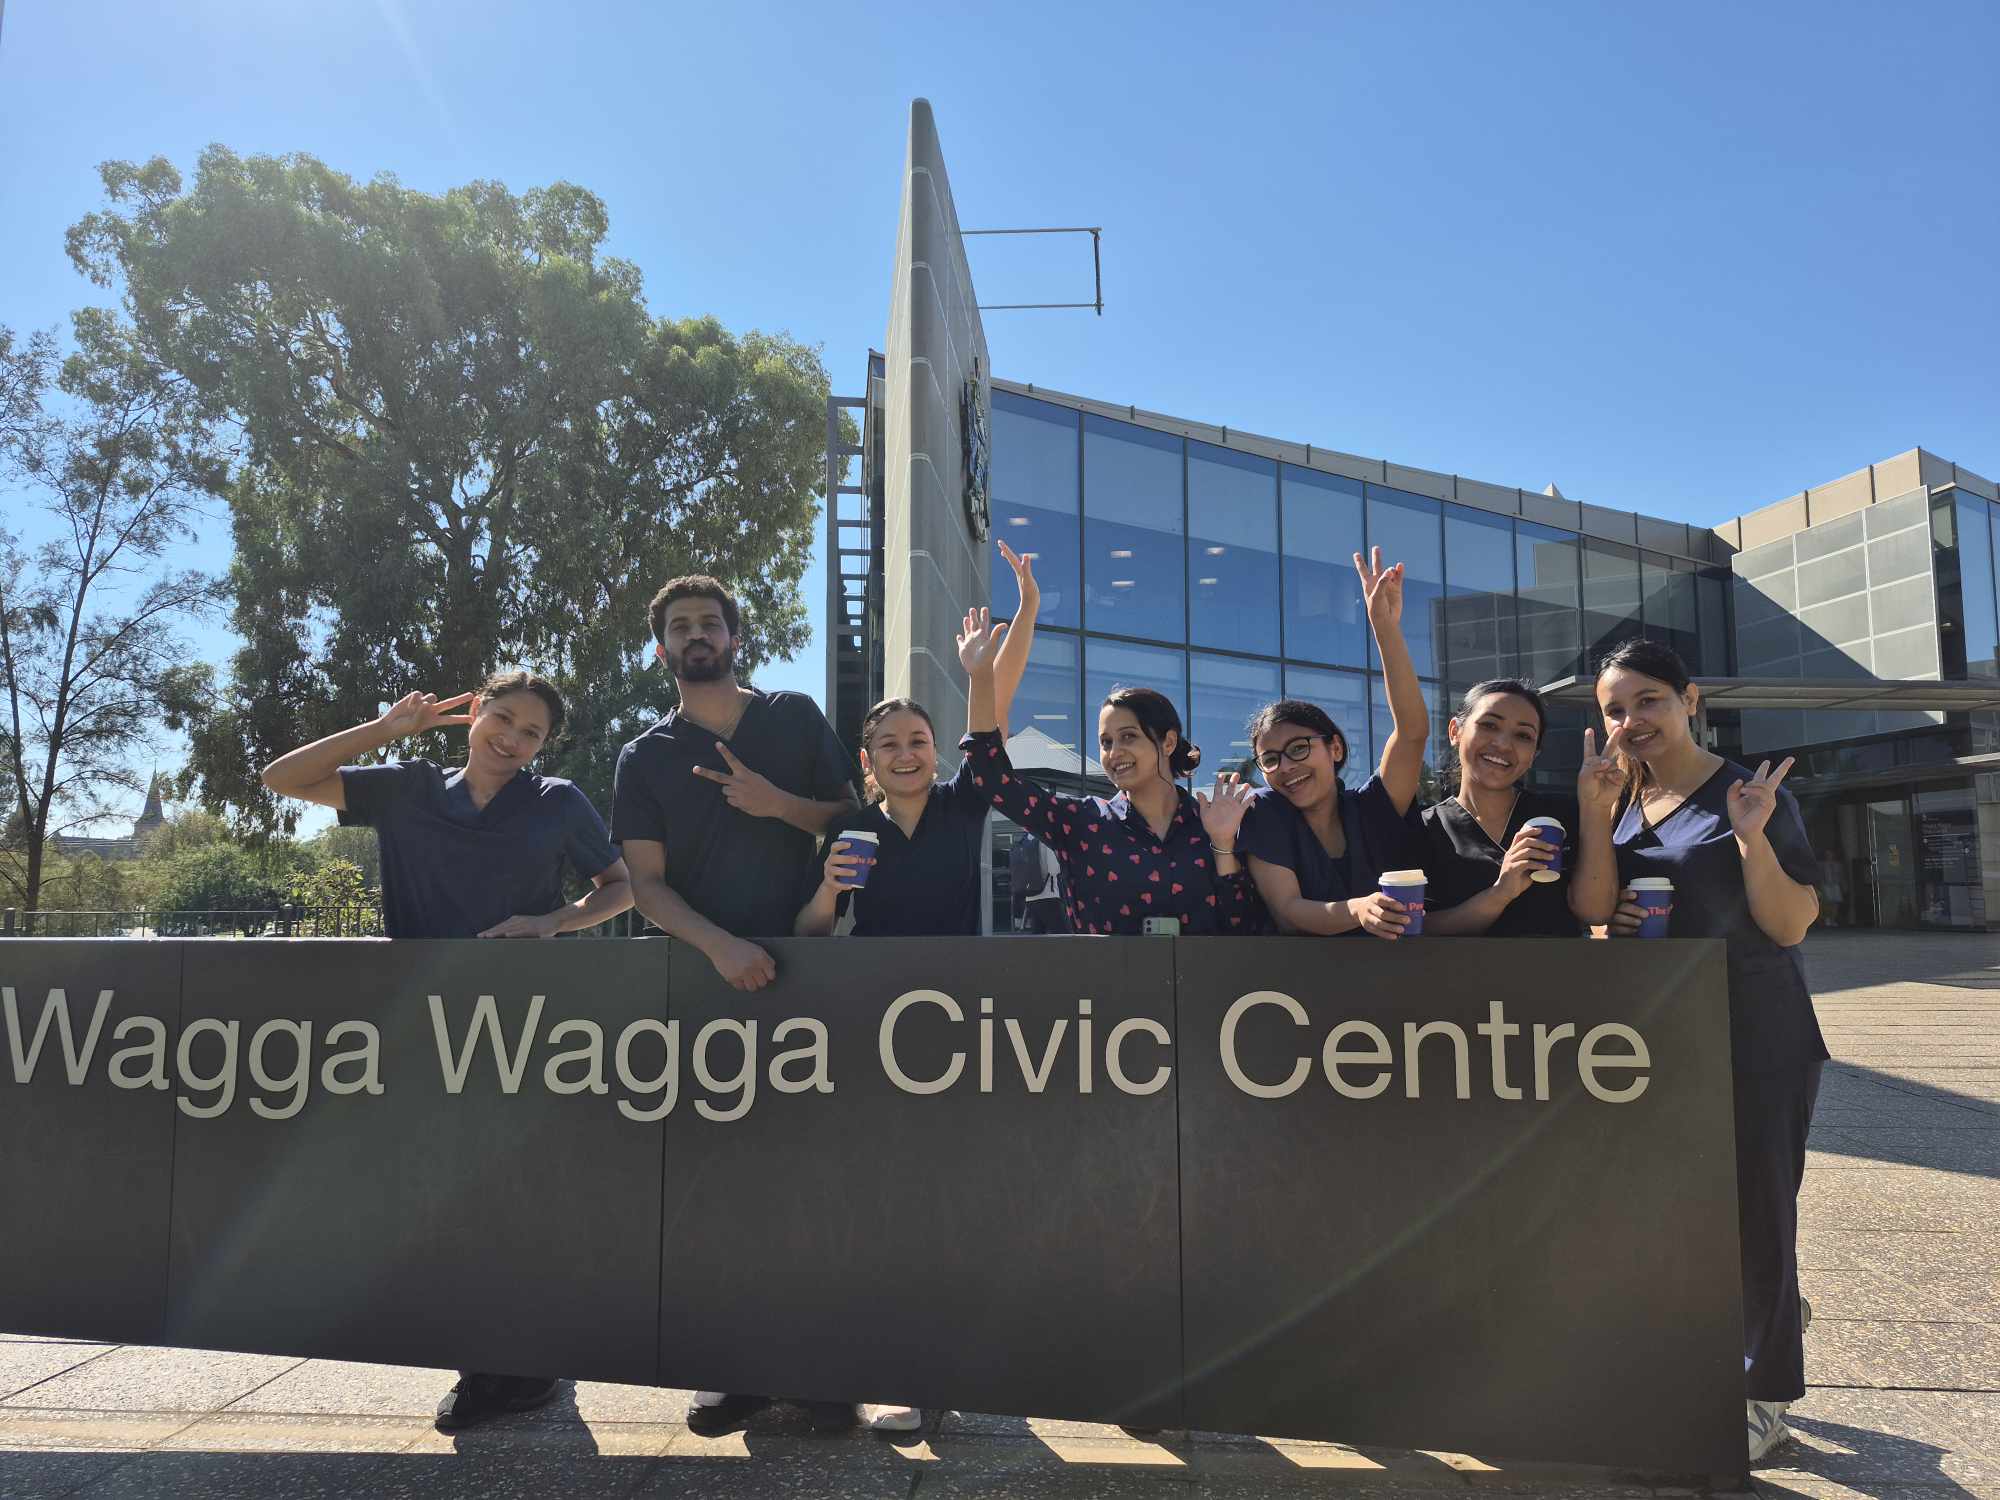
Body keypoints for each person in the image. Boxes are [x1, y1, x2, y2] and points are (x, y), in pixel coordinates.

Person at [258, 669, 633, 1433]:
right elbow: (281, 778)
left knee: (513, 1193)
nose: (513, 739)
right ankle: (486, 1362)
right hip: (420, 1024)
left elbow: (620, 886)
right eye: (504, 718)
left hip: (520, 1027)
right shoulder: (408, 787)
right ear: (473, 714)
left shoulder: (559, 801)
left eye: (532, 733)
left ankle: (521, 1365)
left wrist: (551, 923)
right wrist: (386, 729)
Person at [609, 573, 861, 1435]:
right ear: (662, 649)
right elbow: (645, 885)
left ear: (734, 637)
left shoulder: (793, 717)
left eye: (709, 623)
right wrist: (718, 946)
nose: (695, 635)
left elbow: (850, 820)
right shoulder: (643, 755)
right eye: (679, 626)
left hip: (809, 972)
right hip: (701, 981)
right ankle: (735, 1371)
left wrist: (774, 803)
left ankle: (823, 1374)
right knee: (714, 1187)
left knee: (808, 1180)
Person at [1568, 637, 1825, 1464]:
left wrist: (1751, 838)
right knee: (1683, 1213)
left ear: (1690, 700)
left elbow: (1790, 924)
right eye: (1615, 709)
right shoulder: (1619, 799)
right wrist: (1592, 817)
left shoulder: (1748, 793)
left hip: (1756, 1025)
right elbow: (1595, 909)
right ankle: (1767, 1320)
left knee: (1756, 1210)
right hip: (1663, 1034)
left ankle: (1763, 1396)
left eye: (1648, 699)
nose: (1631, 720)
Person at [794, 542, 1040, 947]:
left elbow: (994, 713)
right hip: (874, 981)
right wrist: (829, 888)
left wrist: (1025, 611)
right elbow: (809, 935)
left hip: (956, 982)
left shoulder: (962, 801)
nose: (906, 754)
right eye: (889, 744)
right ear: (867, 761)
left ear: (934, 749)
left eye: (917, 741)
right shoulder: (853, 829)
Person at [956, 617, 1257, 936]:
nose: (1114, 752)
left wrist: (1223, 844)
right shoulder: (1081, 822)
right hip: (1103, 972)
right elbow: (993, 780)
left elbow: (1243, 928)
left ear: (1168, 742)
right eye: (1105, 742)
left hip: (1203, 971)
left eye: (1128, 737)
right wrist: (980, 678)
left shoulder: (1212, 823)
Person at [1238, 548, 1426, 938]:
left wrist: (1385, 628)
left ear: (1335, 748)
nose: (1286, 767)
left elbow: (1412, 733)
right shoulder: (1265, 813)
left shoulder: (1374, 806)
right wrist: (1359, 908)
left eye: (1298, 748)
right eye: (1270, 759)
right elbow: (1289, 912)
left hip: (1397, 972)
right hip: (1297, 977)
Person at [1418, 679, 1582, 937]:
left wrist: (1597, 807)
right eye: (1489, 725)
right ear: (1455, 731)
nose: (1504, 745)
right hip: (1461, 966)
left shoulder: (1563, 818)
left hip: (1559, 965)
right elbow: (1416, 928)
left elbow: (1596, 912)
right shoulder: (1423, 829)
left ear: (1535, 754)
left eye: (1523, 736)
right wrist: (1500, 894)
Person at [1010, 829, 1071, 933]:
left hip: (1030, 897)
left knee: (1038, 936)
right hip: (1048, 896)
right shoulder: (1046, 840)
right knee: (1064, 935)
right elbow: (1054, 870)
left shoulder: (1026, 839)